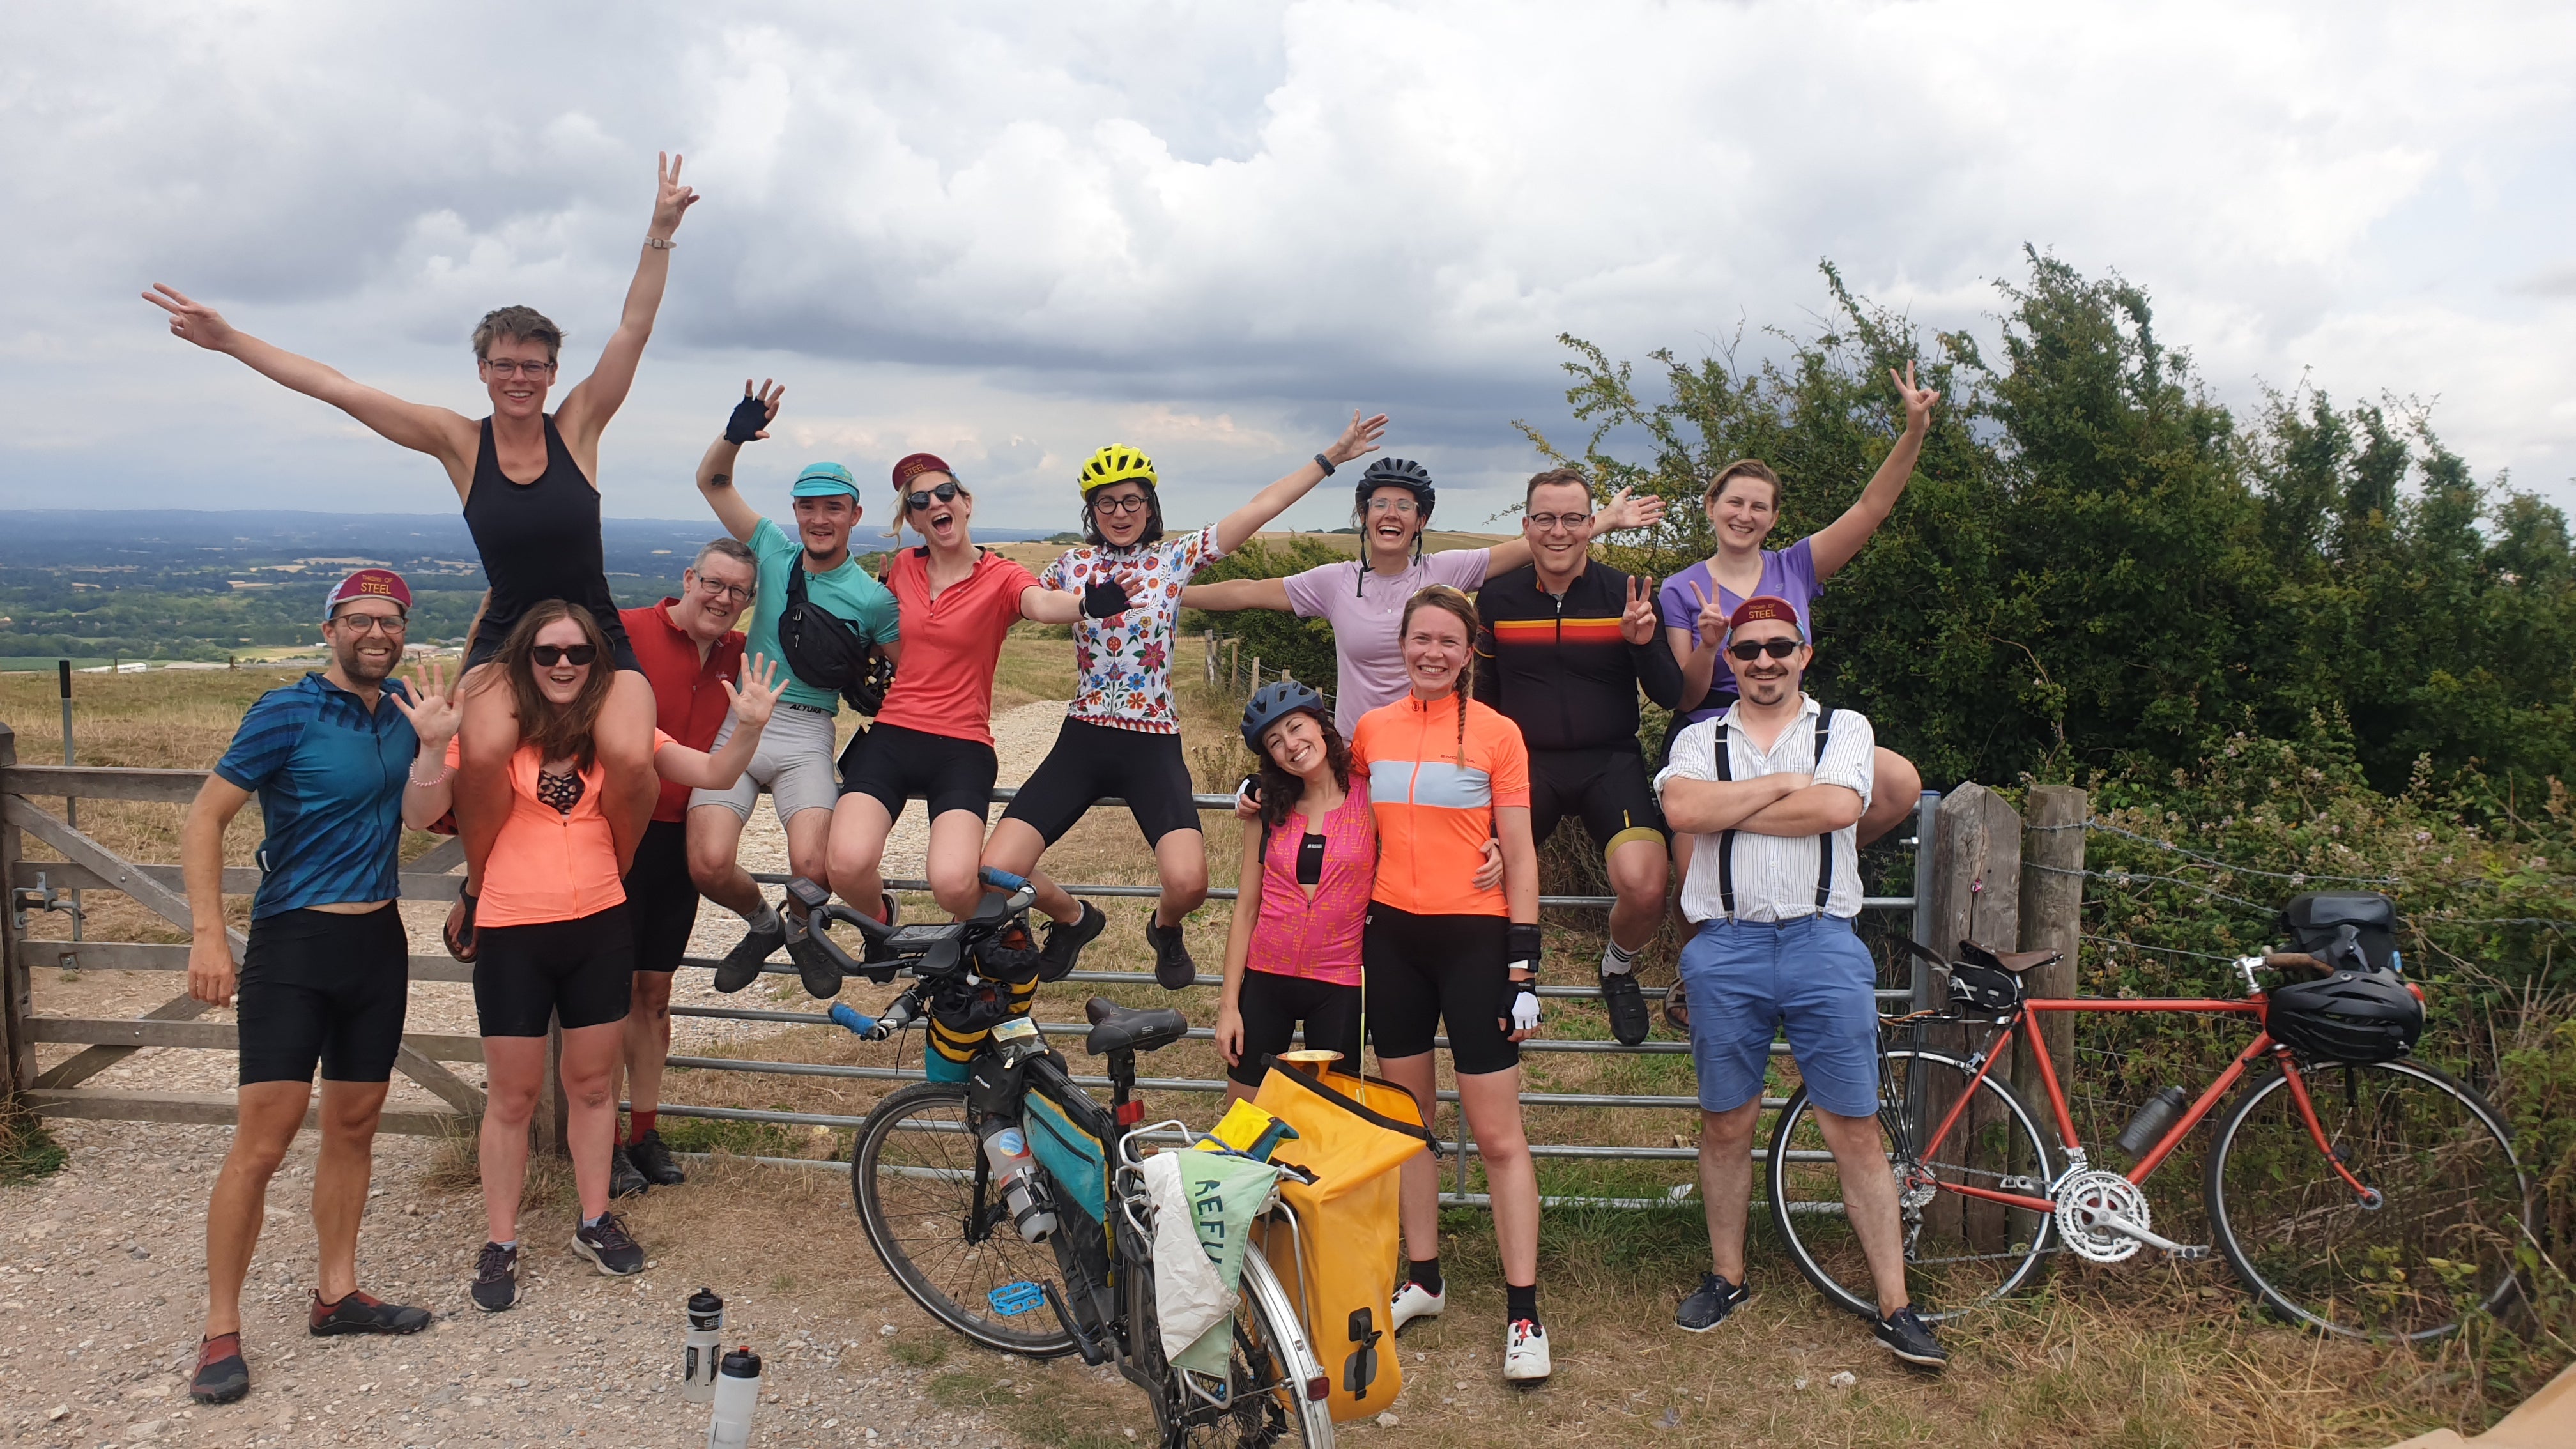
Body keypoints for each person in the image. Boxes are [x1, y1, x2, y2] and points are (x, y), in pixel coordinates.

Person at [149, 152, 703, 967]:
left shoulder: (579, 426)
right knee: (477, 756)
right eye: (504, 364)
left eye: (534, 365)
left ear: (553, 375)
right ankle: (484, 886)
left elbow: (633, 330)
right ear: (483, 371)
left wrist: (658, 233)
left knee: (629, 757)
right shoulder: (458, 441)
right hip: (512, 632)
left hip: (593, 629)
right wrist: (230, 340)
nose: (519, 377)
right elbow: (337, 387)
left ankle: (610, 880)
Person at [397, 602, 783, 1312]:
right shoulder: (489, 736)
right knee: (511, 1099)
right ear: (524, 662)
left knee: (594, 1087)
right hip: (514, 930)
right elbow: (420, 816)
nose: (565, 664)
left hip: (602, 925)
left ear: (599, 663)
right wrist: (430, 748)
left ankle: (595, 1220)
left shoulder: (616, 731)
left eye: (579, 652)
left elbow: (708, 767)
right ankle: (502, 1241)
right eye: (547, 654)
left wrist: (751, 726)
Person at [982, 416, 1389, 990]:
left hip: (1152, 739)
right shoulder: (1070, 567)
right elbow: (1017, 602)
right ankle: (1074, 920)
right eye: (1105, 504)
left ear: (1150, 505)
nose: (1120, 513)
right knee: (995, 872)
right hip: (1084, 737)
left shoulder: (1173, 561)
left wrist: (1332, 456)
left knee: (1190, 884)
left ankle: (1165, 929)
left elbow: (1258, 509)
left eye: (1131, 500)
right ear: (1089, 512)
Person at [1652, 595, 1946, 1368]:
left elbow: (1841, 804)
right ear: (1730, 659)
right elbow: (1681, 806)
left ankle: (1897, 1304)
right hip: (1726, 947)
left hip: (1823, 943)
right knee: (1727, 1121)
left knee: (1854, 1128)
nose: (1763, 662)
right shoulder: (1697, 736)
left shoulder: (1843, 728)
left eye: (1779, 647)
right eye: (1747, 650)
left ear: (1804, 653)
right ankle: (1727, 1276)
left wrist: (1732, 811)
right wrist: (1786, 790)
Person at [180, 569, 432, 1406]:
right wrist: (210, 933)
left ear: (402, 633)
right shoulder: (284, 710)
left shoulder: (405, 710)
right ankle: (221, 1329)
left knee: (355, 1125)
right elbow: (206, 817)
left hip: (378, 940)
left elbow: (439, 799)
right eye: (358, 620)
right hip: (294, 940)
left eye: (388, 621)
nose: (375, 633)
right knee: (265, 1137)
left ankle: (336, 1293)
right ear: (330, 630)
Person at [1356, 586, 1551, 1384]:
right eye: (1420, 639)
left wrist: (1525, 969)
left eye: (1449, 642)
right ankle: (1425, 1277)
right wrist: (1258, 795)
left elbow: (1523, 853)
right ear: (1401, 644)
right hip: (1392, 940)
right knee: (1410, 1126)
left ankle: (1524, 1313)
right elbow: (1330, 809)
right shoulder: (1372, 729)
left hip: (1475, 943)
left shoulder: (1500, 735)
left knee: (1499, 1137)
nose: (1433, 653)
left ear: (1470, 653)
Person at [826, 454, 1091, 985]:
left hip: (961, 745)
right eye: (919, 502)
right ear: (915, 521)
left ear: (965, 503)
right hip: (893, 735)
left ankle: (1016, 933)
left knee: (952, 883)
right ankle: (882, 927)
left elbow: (1040, 605)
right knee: (846, 866)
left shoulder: (1002, 576)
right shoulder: (901, 568)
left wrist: (1088, 604)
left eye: (944, 493)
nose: (934, 504)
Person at [1658, 364, 1940, 848]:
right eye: (1734, 503)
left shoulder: (1798, 567)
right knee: (1691, 884)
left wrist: (1913, 432)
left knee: (1898, 783)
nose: (1744, 516)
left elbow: (1871, 509)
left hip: (1792, 721)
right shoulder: (1679, 589)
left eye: (1759, 507)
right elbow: (1685, 698)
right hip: (1715, 730)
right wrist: (1708, 646)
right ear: (1711, 506)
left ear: (1773, 518)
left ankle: (1818, 856)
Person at [1183, 459, 1664, 737]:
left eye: (1405, 506)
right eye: (1380, 504)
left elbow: (1540, 541)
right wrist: (1172, 594)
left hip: (1433, 744)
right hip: (1359, 749)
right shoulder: (1334, 581)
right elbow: (1246, 592)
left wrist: (1605, 518)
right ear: (1364, 515)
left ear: (1421, 521)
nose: (1391, 514)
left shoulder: (1447, 572)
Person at [688, 381, 902, 999]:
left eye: (833, 507)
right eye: (808, 507)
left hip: (809, 728)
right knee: (707, 864)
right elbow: (713, 483)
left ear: (854, 516)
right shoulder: (774, 552)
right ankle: (763, 925)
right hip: (744, 722)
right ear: (796, 514)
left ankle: (803, 931)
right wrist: (735, 436)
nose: (819, 518)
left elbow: (910, 674)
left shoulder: (873, 598)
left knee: (814, 869)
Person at [1472, 468, 1684, 1045]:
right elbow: (1483, 696)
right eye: (1545, 518)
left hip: (1608, 761)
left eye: (1572, 518)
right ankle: (1517, 978)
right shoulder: (1497, 598)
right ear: (1527, 526)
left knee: (1645, 886)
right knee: (1482, 872)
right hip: (1524, 764)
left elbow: (1671, 694)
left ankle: (1617, 969)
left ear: (1592, 525)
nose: (1558, 531)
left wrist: (1643, 646)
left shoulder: (1627, 592)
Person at [607, 537, 757, 1199]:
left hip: (677, 840)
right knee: (602, 1001)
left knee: (653, 996)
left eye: (738, 592)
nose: (723, 599)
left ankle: (643, 1131)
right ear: (688, 578)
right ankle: (601, 1137)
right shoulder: (629, 633)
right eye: (714, 584)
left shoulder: (738, 654)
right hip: (612, 836)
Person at [1214, 682, 1370, 1102]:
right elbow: (1246, 909)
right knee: (1243, 1117)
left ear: (1321, 725)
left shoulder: (1369, 797)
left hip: (1339, 980)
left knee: (1331, 1121)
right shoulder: (1267, 809)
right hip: (1266, 977)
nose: (1292, 745)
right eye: (1276, 741)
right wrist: (1230, 1005)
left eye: (1297, 727)